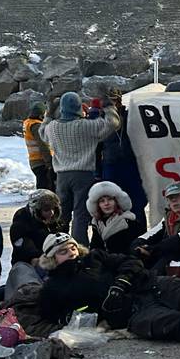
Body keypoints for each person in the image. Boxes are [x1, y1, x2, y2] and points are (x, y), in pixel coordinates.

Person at [35, 233, 180, 346]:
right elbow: (51, 317)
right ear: (52, 259)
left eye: (72, 248)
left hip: (147, 284)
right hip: (130, 315)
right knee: (177, 324)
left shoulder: (95, 256)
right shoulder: (53, 288)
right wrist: (88, 315)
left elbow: (130, 262)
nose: (71, 253)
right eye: (63, 251)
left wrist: (121, 281)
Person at [42, 91, 120, 245]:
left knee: (61, 215)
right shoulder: (86, 126)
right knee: (80, 215)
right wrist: (109, 107)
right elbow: (112, 124)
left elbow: (42, 133)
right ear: (78, 107)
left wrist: (49, 114)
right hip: (84, 175)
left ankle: (59, 247)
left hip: (62, 176)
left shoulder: (53, 127)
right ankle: (79, 249)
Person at [96, 92, 148, 226]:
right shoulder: (101, 121)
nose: (113, 104)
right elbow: (96, 148)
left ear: (119, 100)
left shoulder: (131, 115)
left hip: (132, 164)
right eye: (110, 101)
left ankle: (140, 233)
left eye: (115, 100)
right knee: (111, 203)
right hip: (110, 165)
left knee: (137, 201)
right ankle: (116, 234)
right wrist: (97, 172)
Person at [87, 180, 144, 255]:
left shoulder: (128, 221)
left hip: (126, 261)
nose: (106, 203)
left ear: (117, 201)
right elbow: (94, 247)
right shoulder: (97, 223)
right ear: (97, 205)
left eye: (110, 199)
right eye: (102, 201)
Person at [10, 189, 64, 266]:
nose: (51, 213)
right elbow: (24, 247)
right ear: (37, 210)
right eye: (46, 210)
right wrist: (38, 257)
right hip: (28, 262)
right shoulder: (21, 223)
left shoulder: (56, 221)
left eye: (53, 209)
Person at [23, 101, 54, 191]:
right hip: (41, 161)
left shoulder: (28, 123)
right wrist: (49, 162)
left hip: (34, 161)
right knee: (46, 190)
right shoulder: (36, 126)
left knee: (42, 187)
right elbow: (43, 145)